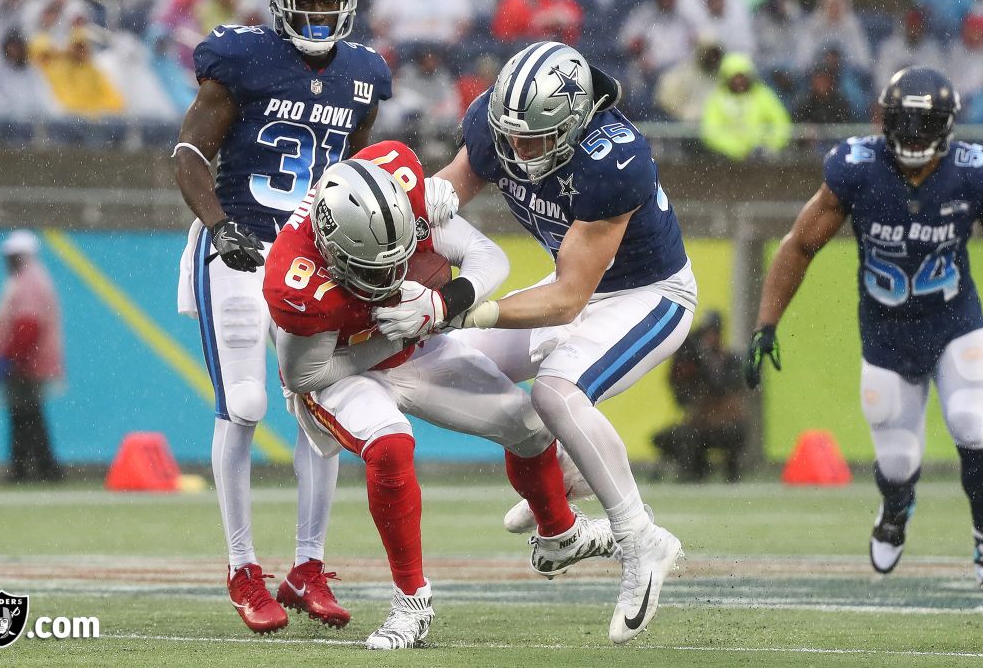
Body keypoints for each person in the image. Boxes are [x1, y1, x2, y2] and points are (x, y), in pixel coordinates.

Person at [746, 67, 983, 591]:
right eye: (904, 125)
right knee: (897, 462)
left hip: (953, 320)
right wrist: (766, 324)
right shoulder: (855, 168)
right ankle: (896, 507)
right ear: (884, 121)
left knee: (971, 427)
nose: (914, 139)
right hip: (887, 333)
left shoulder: (974, 173)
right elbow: (799, 245)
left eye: (925, 126)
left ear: (948, 125)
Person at [397, 41, 697, 645]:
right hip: (575, 283)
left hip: (647, 294)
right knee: (446, 367)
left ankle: (641, 539)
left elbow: (567, 300)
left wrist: (460, 308)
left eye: (532, 139)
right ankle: (557, 500)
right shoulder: (497, 123)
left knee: (557, 394)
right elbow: (440, 199)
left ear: (574, 121)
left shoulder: (614, 160)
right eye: (508, 135)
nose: (515, 150)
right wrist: (384, 231)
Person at [266, 143, 612, 650]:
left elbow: (488, 259)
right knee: (390, 446)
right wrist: (395, 334)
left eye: (399, 258)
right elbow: (307, 375)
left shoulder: (403, 197)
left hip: (418, 348)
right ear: (332, 251)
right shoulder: (296, 279)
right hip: (337, 372)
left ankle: (558, 534)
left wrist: (443, 303)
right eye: (372, 269)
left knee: (530, 424)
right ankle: (411, 603)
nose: (389, 277)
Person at [171, 0, 392, 635]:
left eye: (333, 1)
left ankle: (308, 566)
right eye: (310, 0)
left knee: (318, 413)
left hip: (313, 261)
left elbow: (353, 175)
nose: (322, 12)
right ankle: (242, 568)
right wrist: (218, 224)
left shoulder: (362, 74)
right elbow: (188, 153)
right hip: (240, 246)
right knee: (244, 404)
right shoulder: (240, 58)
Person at [0, 230, 65, 483]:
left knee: (25, 415)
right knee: (28, 415)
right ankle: (40, 468)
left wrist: (11, 356)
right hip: (27, 361)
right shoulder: (31, 280)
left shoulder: (29, 283)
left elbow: (27, 324)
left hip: (27, 364)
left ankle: (30, 469)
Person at [653, 312, 750, 482]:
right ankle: (695, 471)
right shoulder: (695, 359)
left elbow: (725, 386)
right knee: (680, 437)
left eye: (713, 333)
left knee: (735, 431)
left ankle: (731, 472)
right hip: (700, 424)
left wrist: (709, 366)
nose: (709, 338)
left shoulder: (729, 360)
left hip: (724, 426)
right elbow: (681, 398)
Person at [700, 52, 792, 161]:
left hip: (763, 159)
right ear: (727, 77)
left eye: (742, 77)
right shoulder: (717, 99)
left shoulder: (763, 95)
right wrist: (738, 150)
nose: (739, 82)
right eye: (735, 77)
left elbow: (782, 123)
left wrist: (769, 146)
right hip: (727, 161)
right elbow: (710, 132)